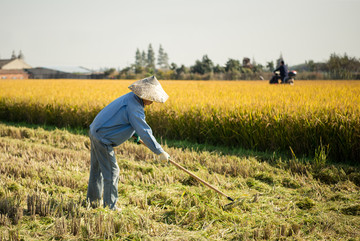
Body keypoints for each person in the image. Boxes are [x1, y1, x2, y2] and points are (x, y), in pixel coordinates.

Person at [86, 76, 170, 210]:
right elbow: (145, 131)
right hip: (103, 139)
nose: (152, 101)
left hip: (96, 131)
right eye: (151, 98)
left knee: (97, 171)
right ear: (144, 94)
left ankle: (93, 202)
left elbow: (122, 121)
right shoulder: (135, 107)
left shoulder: (130, 98)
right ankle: (110, 208)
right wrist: (159, 151)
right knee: (112, 172)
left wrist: (133, 133)